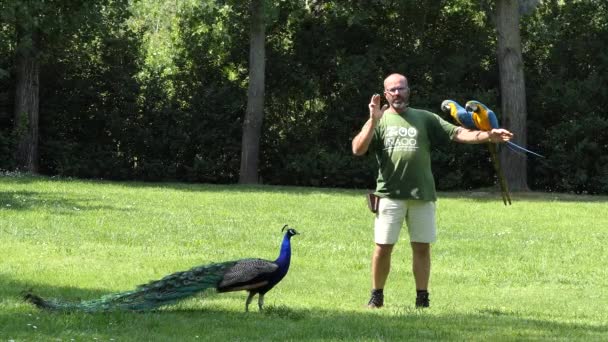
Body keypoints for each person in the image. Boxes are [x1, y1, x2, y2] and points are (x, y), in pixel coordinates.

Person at [351, 73, 513, 308]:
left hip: (422, 195)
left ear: (409, 90)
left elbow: (458, 133)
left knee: (422, 247)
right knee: (383, 247)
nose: (397, 93)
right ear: (386, 94)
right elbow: (358, 149)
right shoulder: (379, 120)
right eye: (392, 90)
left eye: (401, 88)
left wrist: (487, 135)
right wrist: (373, 120)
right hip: (389, 195)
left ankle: (422, 298)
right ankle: (377, 297)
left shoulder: (425, 118)